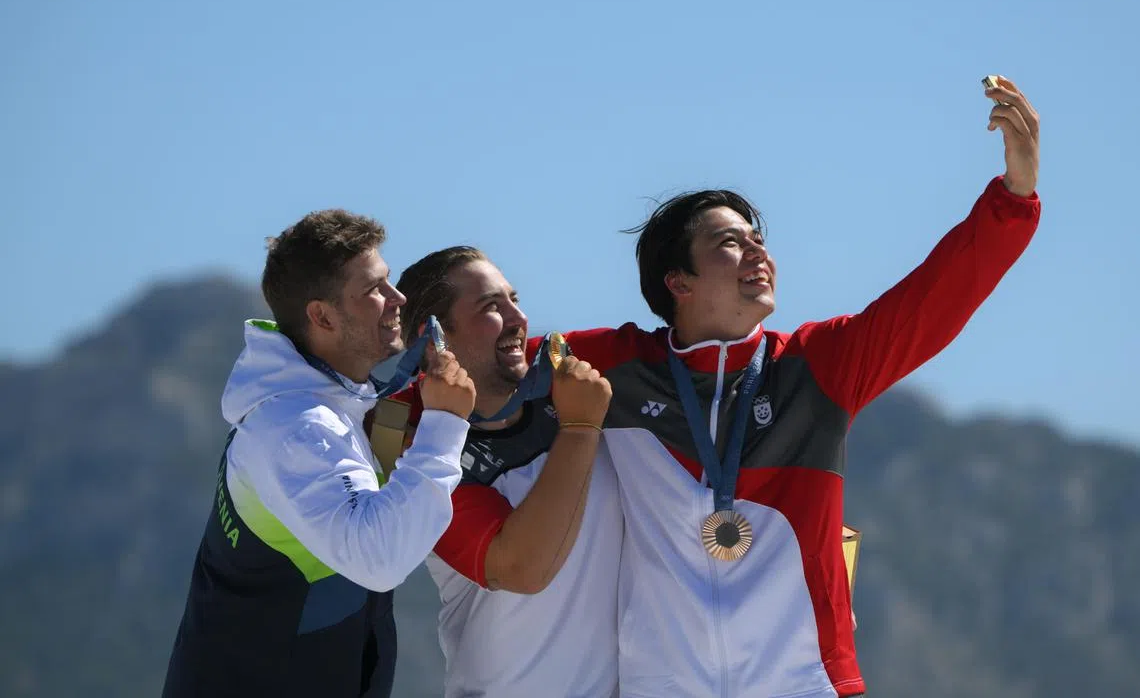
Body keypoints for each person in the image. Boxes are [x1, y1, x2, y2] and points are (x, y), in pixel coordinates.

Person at [534, 76, 1042, 697]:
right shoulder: (612, 369)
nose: (758, 253)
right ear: (678, 281)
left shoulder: (817, 365)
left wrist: (1014, 196)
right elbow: (490, 363)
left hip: (805, 684)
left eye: (759, 240)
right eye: (729, 242)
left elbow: (935, 299)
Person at [162, 209, 477, 698]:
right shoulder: (298, 428)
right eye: (376, 289)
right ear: (323, 316)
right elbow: (380, 558)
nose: (399, 300)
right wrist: (445, 423)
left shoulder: (310, 410)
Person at [371, 246, 622, 698]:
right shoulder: (416, 456)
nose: (518, 318)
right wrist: (582, 428)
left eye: (514, 298)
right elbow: (521, 569)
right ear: (435, 342)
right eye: (491, 307)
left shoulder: (574, 380)